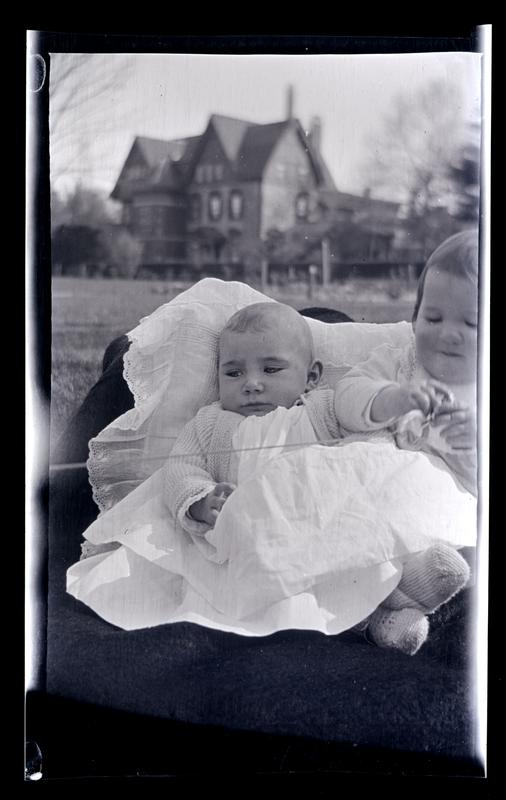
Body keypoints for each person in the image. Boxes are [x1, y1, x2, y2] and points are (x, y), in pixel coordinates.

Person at [163, 280, 474, 653]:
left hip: (328, 525)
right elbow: (181, 468)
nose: (252, 384)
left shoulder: (322, 408)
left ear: (311, 377)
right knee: (286, 588)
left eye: (271, 369)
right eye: (233, 373)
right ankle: (377, 620)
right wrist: (201, 501)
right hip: (261, 538)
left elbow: (370, 445)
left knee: (360, 553)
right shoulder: (210, 423)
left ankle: (400, 594)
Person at [332, 229, 478, 650]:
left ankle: (392, 612)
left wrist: (472, 449)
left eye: (471, 322)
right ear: (414, 317)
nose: (448, 334)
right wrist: (393, 398)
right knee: (345, 521)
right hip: (373, 499)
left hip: (440, 522)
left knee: (451, 561)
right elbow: (346, 397)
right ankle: (361, 607)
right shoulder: (401, 361)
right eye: (433, 318)